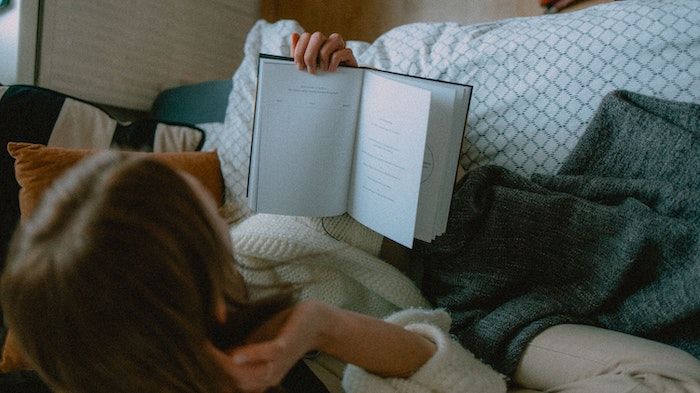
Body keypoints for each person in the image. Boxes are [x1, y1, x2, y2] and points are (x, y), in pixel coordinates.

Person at [2, 31, 699, 393]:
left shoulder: (251, 262)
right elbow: (471, 382)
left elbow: (334, 221)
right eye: (203, 218)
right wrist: (324, 330)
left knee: (619, 231)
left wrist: (339, 89)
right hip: (476, 340)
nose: (221, 211)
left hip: (452, 283)